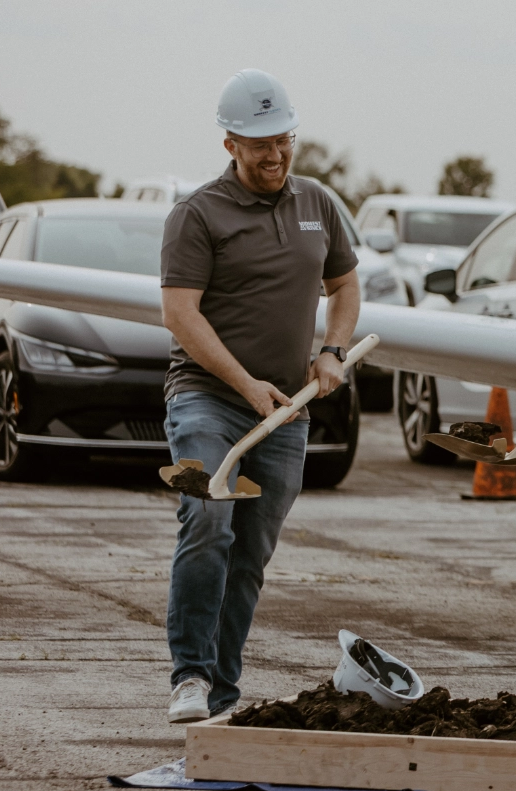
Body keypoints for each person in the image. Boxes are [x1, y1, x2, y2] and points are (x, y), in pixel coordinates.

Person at [160, 69, 361, 723]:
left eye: (284, 140)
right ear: (230, 145)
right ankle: (189, 675)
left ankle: (219, 693)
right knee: (209, 518)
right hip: (208, 399)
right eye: (259, 145)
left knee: (250, 548)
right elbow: (181, 315)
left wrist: (332, 350)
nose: (274, 155)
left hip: (288, 409)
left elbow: (347, 286)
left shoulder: (318, 204)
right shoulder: (197, 215)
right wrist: (245, 385)